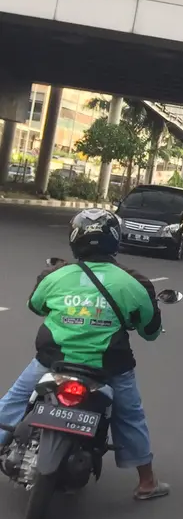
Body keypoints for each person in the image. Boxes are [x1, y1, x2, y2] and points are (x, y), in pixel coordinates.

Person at [0, 209, 170, 501]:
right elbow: (150, 331)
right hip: (109, 368)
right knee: (129, 417)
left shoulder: (55, 276)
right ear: (114, 241)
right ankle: (146, 481)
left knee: (13, 403)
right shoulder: (133, 284)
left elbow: (37, 306)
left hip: (52, 360)